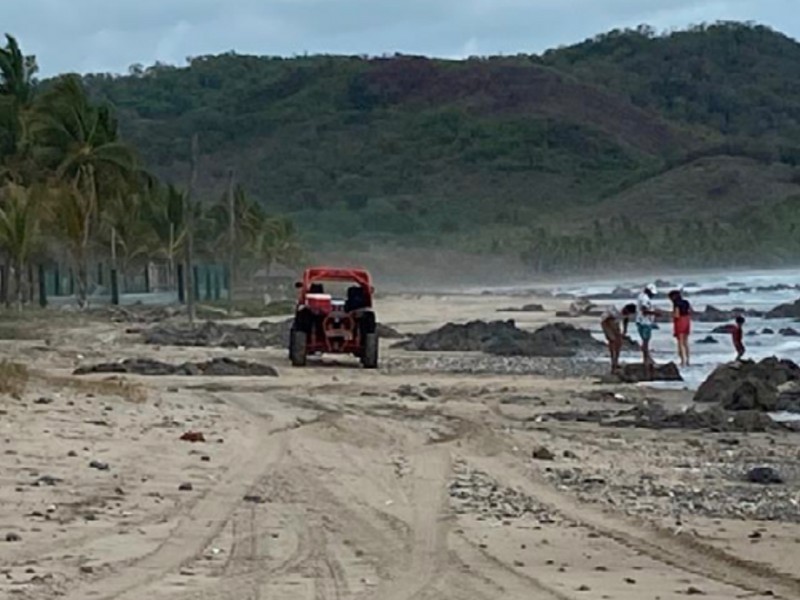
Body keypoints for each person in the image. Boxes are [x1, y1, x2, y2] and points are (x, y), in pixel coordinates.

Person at [600, 303, 637, 373]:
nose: (626, 314)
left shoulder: (627, 312)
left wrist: (625, 330)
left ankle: (616, 361)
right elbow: (609, 320)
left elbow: (626, 319)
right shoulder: (616, 310)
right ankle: (613, 361)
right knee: (612, 340)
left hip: (616, 322)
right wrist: (616, 332)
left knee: (619, 342)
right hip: (606, 321)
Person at [636, 284, 659, 373]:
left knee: (645, 341)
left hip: (642, 321)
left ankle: (647, 358)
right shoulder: (644, 298)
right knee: (646, 341)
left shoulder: (641, 296)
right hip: (644, 322)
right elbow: (644, 310)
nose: (653, 295)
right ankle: (646, 359)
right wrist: (654, 313)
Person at [669, 290, 692, 367]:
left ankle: (682, 361)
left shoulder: (676, 304)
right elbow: (690, 311)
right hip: (687, 320)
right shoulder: (686, 302)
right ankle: (688, 360)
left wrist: (670, 315)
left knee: (680, 342)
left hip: (680, 321)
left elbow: (677, 315)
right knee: (686, 342)